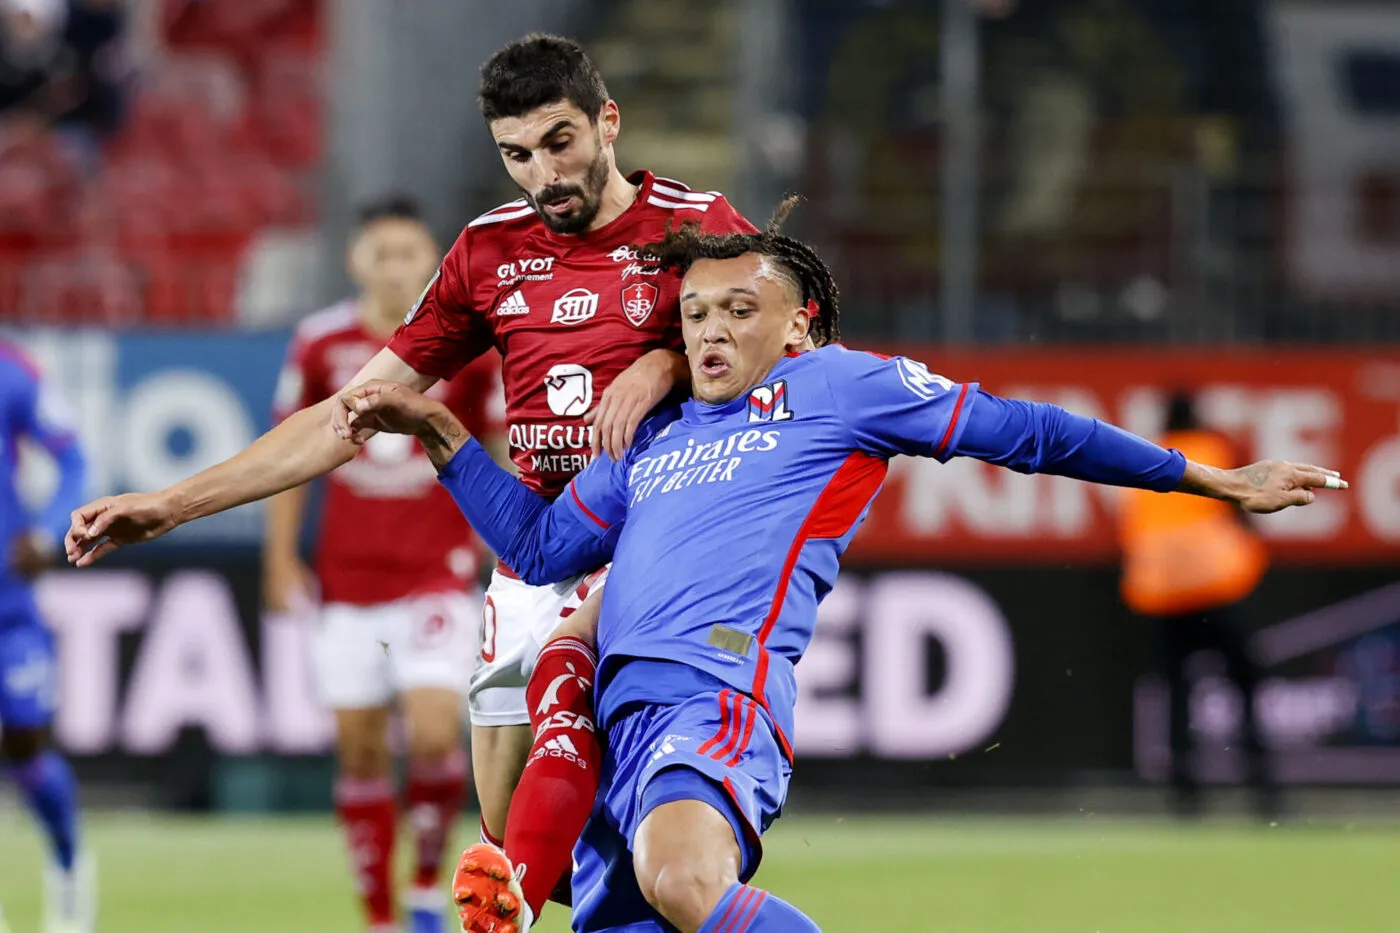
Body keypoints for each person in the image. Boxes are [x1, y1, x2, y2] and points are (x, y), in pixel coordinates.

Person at [339, 203, 1347, 933]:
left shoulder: (837, 389)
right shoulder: (655, 442)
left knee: (682, 881)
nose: (709, 333)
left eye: (738, 311)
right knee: (646, 864)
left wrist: (1204, 482)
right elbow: (541, 550)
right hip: (619, 724)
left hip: (713, 695)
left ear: (799, 323)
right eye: (692, 317)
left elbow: (1022, 431)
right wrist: (439, 432)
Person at [63, 33, 758, 930]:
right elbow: (343, 416)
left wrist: (667, 360)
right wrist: (169, 506)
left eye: (561, 143)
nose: (543, 175)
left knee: (604, 819)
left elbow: (793, 335)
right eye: (517, 154)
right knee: (513, 848)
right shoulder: (487, 254)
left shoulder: (694, 222)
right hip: (534, 554)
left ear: (608, 122)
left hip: (654, 553)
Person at [264, 196, 507, 933]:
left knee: (436, 729)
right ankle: (378, 916)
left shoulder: (468, 346)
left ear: (430, 258)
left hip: (437, 570)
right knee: (361, 746)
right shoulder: (319, 342)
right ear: (357, 260)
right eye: (383, 253)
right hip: (348, 580)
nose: (396, 266)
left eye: (410, 253)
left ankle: (428, 887)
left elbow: (497, 455)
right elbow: (289, 454)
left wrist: (512, 552)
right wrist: (281, 557)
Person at [1119, 389, 1279, 818]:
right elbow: (1247, 509)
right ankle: (1263, 786)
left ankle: (1184, 795)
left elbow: (1132, 527)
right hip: (1218, 588)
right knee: (1245, 685)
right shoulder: (1216, 449)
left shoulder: (1144, 456)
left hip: (1163, 594)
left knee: (1177, 694)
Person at [0, 338, 93, 933]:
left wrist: (44, 528)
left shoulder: (14, 372)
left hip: (10, 604)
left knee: (25, 748)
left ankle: (68, 866)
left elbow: (75, 460)